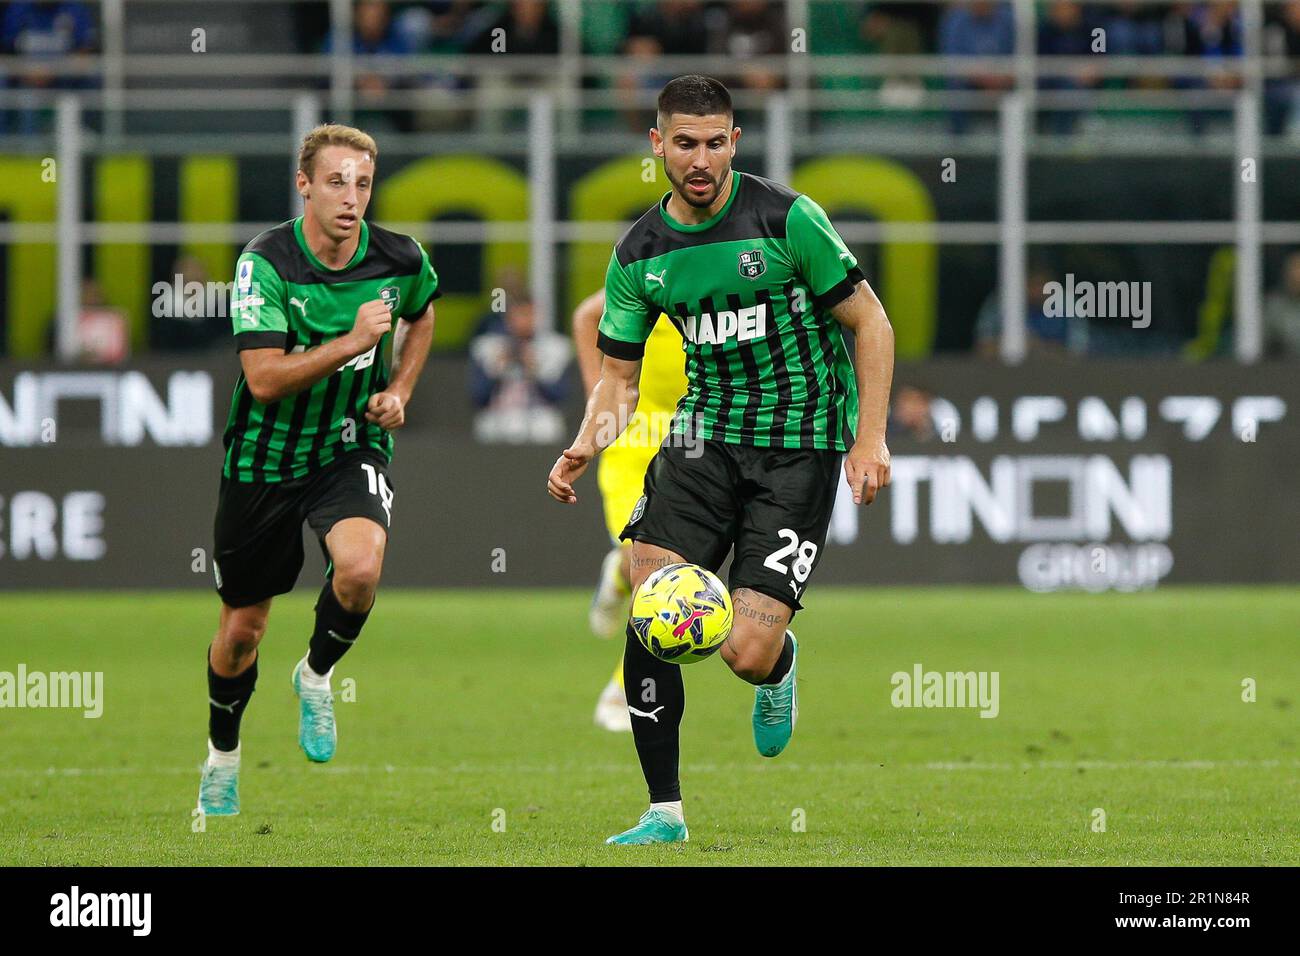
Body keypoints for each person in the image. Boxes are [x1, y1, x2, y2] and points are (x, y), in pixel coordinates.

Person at [546, 75, 894, 845]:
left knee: (743, 651)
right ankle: (662, 811)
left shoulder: (785, 219)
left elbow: (868, 321)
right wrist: (585, 440)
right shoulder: (641, 253)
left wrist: (868, 437)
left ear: (734, 142)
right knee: (650, 609)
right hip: (701, 439)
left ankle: (779, 666)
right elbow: (619, 381)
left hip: (799, 445)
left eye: (714, 143)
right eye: (684, 143)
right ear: (658, 146)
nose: (699, 159)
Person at [197, 124, 439, 816]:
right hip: (263, 458)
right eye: (337, 182)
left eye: (363, 184)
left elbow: (421, 316)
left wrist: (400, 391)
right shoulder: (264, 264)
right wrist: (356, 341)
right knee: (242, 631)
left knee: (361, 568)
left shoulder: (399, 257)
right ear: (304, 184)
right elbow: (265, 378)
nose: (352, 198)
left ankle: (316, 674)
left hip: (347, 444)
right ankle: (223, 754)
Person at [570, 290, 687, 733]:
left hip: (689, 441)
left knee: (666, 573)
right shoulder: (650, 273)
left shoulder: (719, 280)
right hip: (631, 440)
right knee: (643, 562)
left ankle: (623, 686)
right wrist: (595, 394)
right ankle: (617, 576)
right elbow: (586, 315)